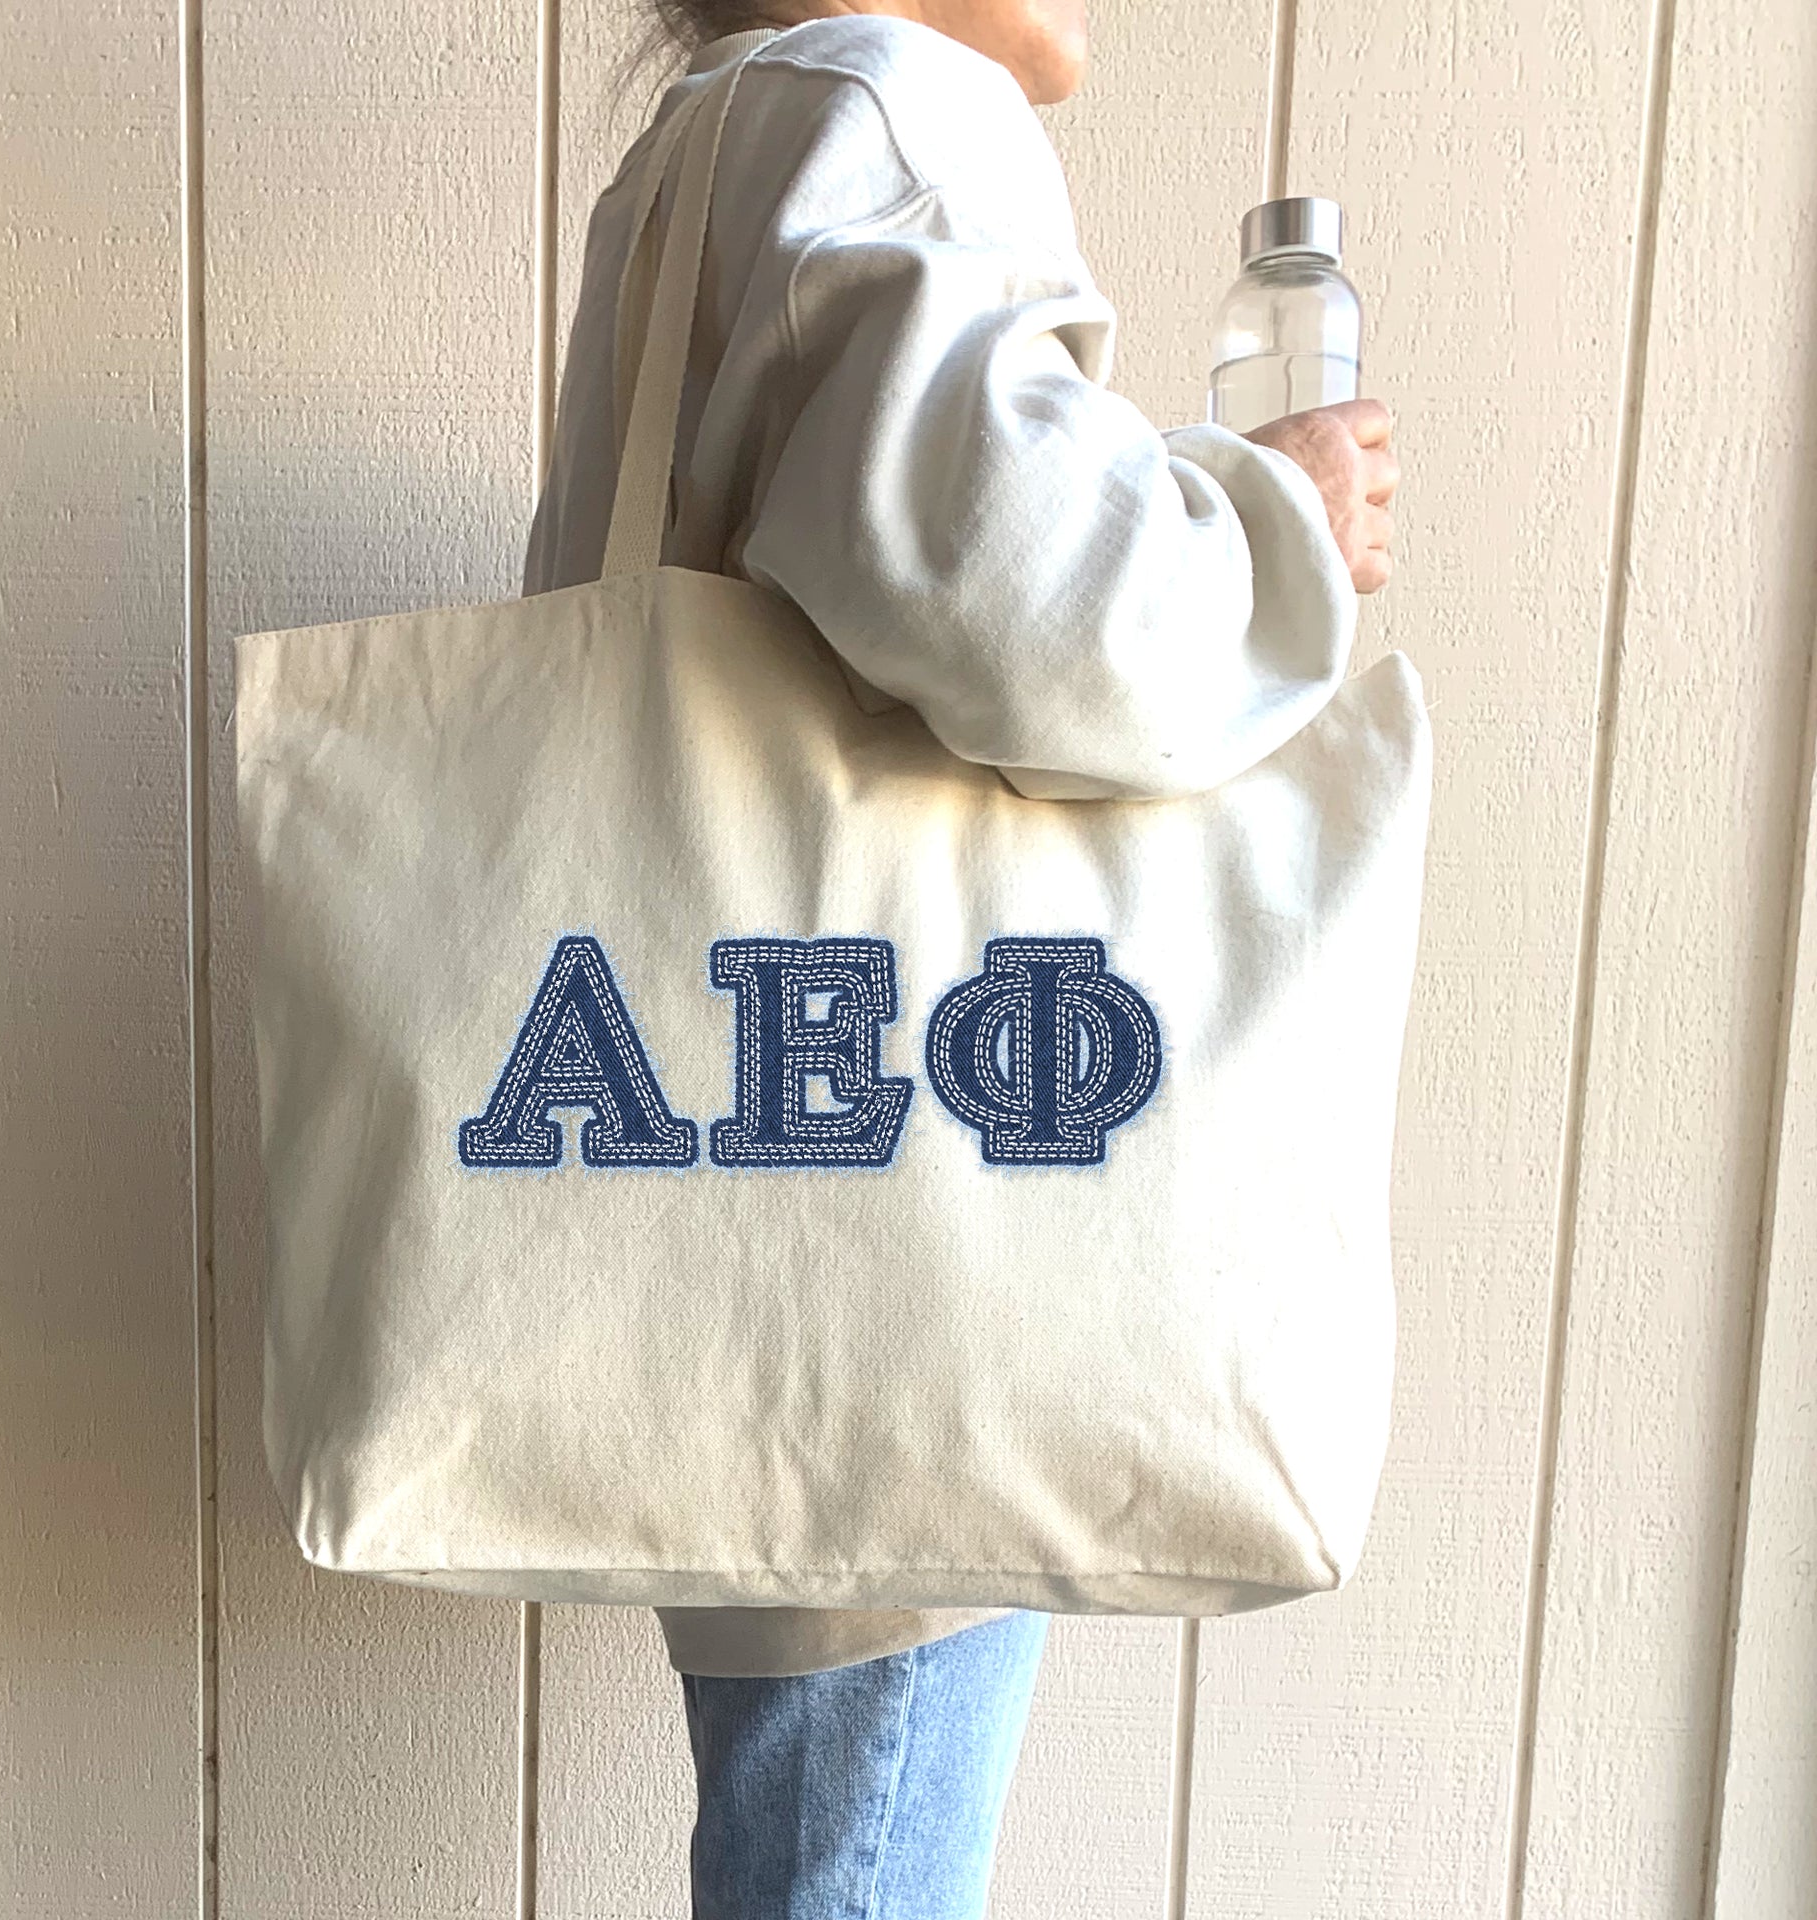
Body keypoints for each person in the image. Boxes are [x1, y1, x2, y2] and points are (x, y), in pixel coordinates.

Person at [523, 4, 1399, 1913]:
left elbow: (894, 543)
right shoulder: (895, 107)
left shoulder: (710, 141)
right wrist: (1282, 525)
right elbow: (1040, 615)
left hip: (750, 1183)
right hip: (907, 1228)